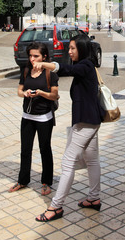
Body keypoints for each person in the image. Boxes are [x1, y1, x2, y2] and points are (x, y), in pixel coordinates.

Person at [35, 34, 105, 222]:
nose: (69, 51)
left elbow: (64, 69)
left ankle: (56, 207)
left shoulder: (85, 66)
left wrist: (45, 65)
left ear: (81, 49)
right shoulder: (87, 66)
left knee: (68, 163)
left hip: (85, 122)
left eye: (73, 48)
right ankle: (94, 198)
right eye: (69, 48)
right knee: (91, 159)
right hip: (91, 120)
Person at [9, 42, 59, 196]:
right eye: (30, 56)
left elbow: (55, 95)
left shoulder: (50, 73)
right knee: (25, 150)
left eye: (36, 56)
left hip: (44, 117)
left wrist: (40, 93)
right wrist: (24, 94)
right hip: (27, 116)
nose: (32, 59)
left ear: (44, 57)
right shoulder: (26, 70)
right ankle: (23, 180)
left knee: (45, 149)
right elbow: (19, 90)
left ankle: (46, 182)